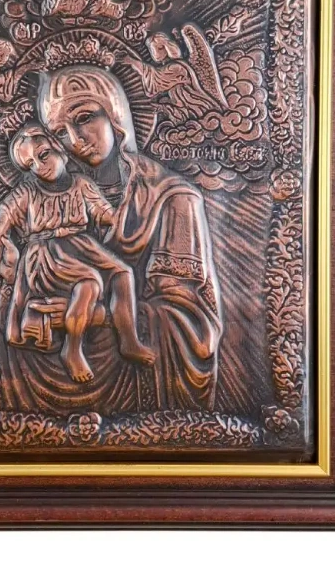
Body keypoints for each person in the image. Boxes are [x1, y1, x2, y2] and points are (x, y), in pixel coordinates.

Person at [38, 64, 224, 410]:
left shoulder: (172, 198)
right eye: (60, 133)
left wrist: (90, 316)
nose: (75, 141)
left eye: (84, 118)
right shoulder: (59, 196)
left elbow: (187, 324)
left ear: (115, 114)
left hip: (136, 373)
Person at [0, 122, 155, 383]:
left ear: (58, 147)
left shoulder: (81, 184)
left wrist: (130, 207)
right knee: (89, 283)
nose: (40, 166)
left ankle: (129, 341)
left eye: (43, 155)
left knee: (123, 273)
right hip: (46, 255)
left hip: (83, 247)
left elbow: (104, 213)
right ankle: (72, 348)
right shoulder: (26, 192)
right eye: (30, 164)